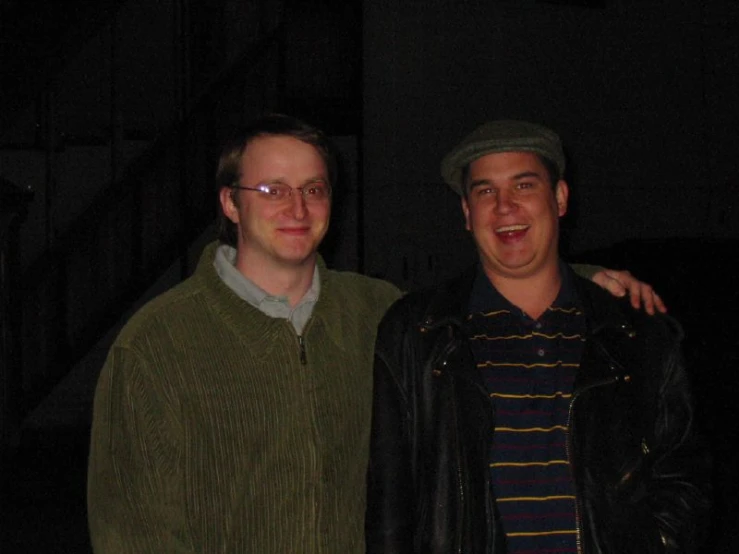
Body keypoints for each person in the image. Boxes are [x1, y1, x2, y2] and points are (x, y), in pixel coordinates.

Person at [87, 114, 667, 553]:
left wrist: (584, 282)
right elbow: (130, 530)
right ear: (229, 204)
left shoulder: (378, 313)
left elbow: (479, 300)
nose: (297, 206)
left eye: (314, 188)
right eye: (272, 189)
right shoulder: (158, 344)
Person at [365, 120, 711, 554]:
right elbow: (391, 503)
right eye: (485, 191)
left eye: (524, 185)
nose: (505, 206)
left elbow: (683, 476)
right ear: (467, 214)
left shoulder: (634, 332)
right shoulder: (417, 333)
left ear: (560, 198)